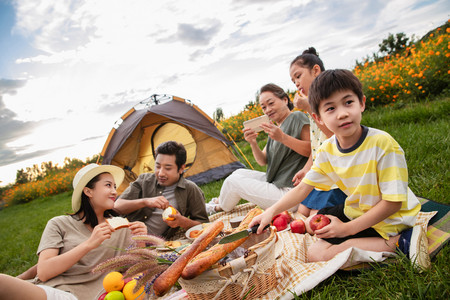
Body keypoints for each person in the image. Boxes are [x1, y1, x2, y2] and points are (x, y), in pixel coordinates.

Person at [249, 69, 430, 270]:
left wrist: (346, 230)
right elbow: (302, 189)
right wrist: (271, 212)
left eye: (348, 103)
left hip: (390, 219)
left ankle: (401, 243)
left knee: (319, 254)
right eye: (330, 108)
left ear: (361, 103)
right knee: (310, 227)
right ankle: (360, 238)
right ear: (318, 118)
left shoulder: (383, 144)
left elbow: (393, 203)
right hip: (357, 209)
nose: (342, 113)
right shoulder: (328, 149)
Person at [0, 164, 147, 299]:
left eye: (115, 186)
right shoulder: (59, 224)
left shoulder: (122, 227)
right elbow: (44, 272)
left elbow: (136, 274)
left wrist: (141, 241)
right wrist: (89, 244)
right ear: (88, 191)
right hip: (55, 291)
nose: (115, 191)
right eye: (108, 185)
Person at [206, 83, 311, 213]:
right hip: (278, 183)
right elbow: (263, 160)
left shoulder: (297, 117)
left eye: (271, 103)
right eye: (264, 107)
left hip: (292, 194)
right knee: (238, 173)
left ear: (285, 100)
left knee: (233, 182)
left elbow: (312, 150)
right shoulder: (276, 129)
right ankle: (220, 200)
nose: (268, 110)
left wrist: (283, 137)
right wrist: (253, 143)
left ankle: (218, 207)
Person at [289, 47, 347, 216]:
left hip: (337, 175)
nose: (297, 83)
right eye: (293, 81)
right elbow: (317, 145)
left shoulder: (329, 100)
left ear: (315, 71)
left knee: (315, 217)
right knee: (302, 211)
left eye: (298, 76)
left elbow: (335, 136)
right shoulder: (312, 105)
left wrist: (307, 107)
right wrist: (306, 169)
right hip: (322, 173)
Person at [114, 141, 209, 239]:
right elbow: (117, 207)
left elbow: (204, 225)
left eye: (168, 168)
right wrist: (146, 201)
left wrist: (182, 221)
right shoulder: (144, 181)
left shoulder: (190, 189)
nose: (161, 173)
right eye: (158, 166)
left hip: (157, 244)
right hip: (125, 237)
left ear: (181, 168)